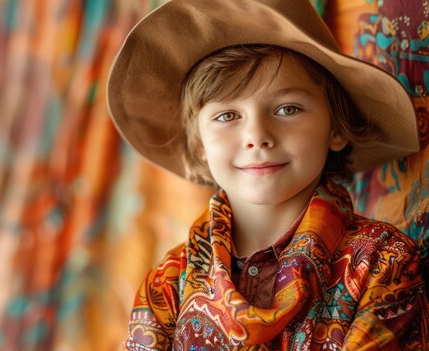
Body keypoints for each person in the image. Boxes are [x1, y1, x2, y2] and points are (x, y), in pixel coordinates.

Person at [106, 0, 427, 350]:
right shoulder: (166, 285)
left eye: (287, 109)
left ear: (335, 127)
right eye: (228, 116)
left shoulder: (383, 263)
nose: (257, 135)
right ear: (199, 144)